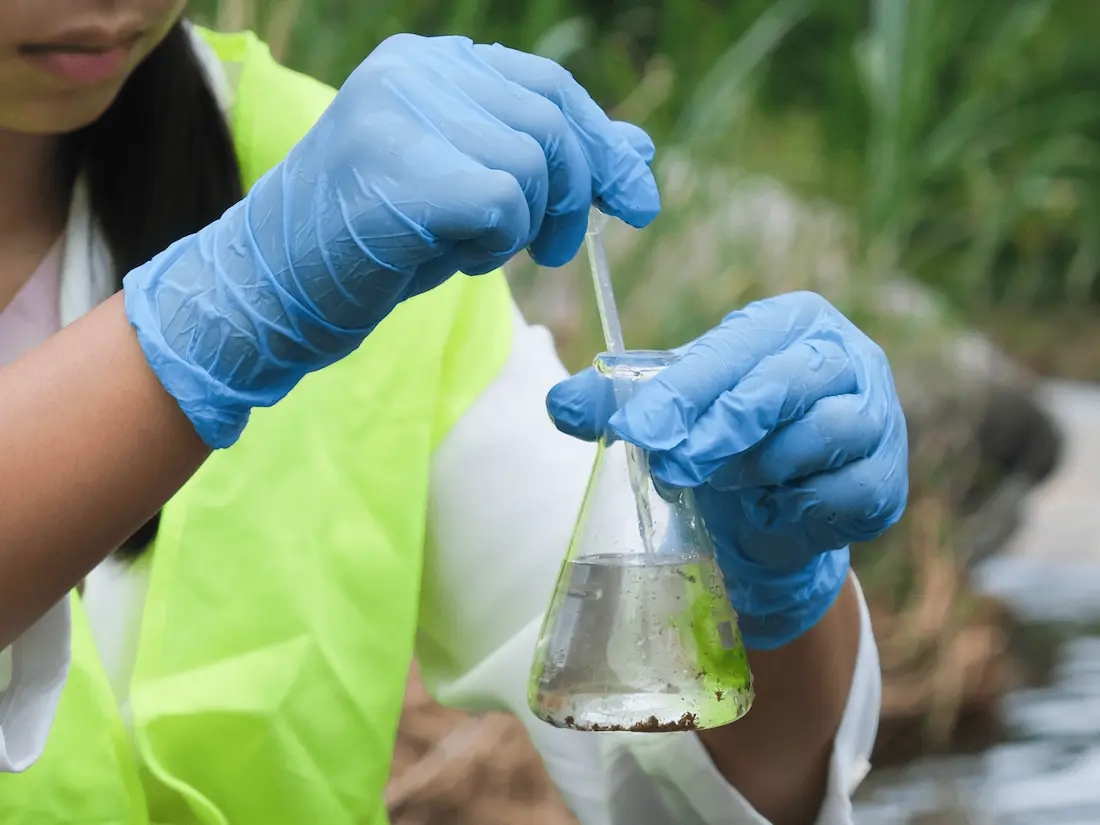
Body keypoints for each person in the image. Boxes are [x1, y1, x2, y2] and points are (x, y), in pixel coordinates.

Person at [0, 4, 908, 825]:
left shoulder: (347, 180)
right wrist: (215, 317)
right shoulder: (304, 229)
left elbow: (688, 781)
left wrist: (774, 588)